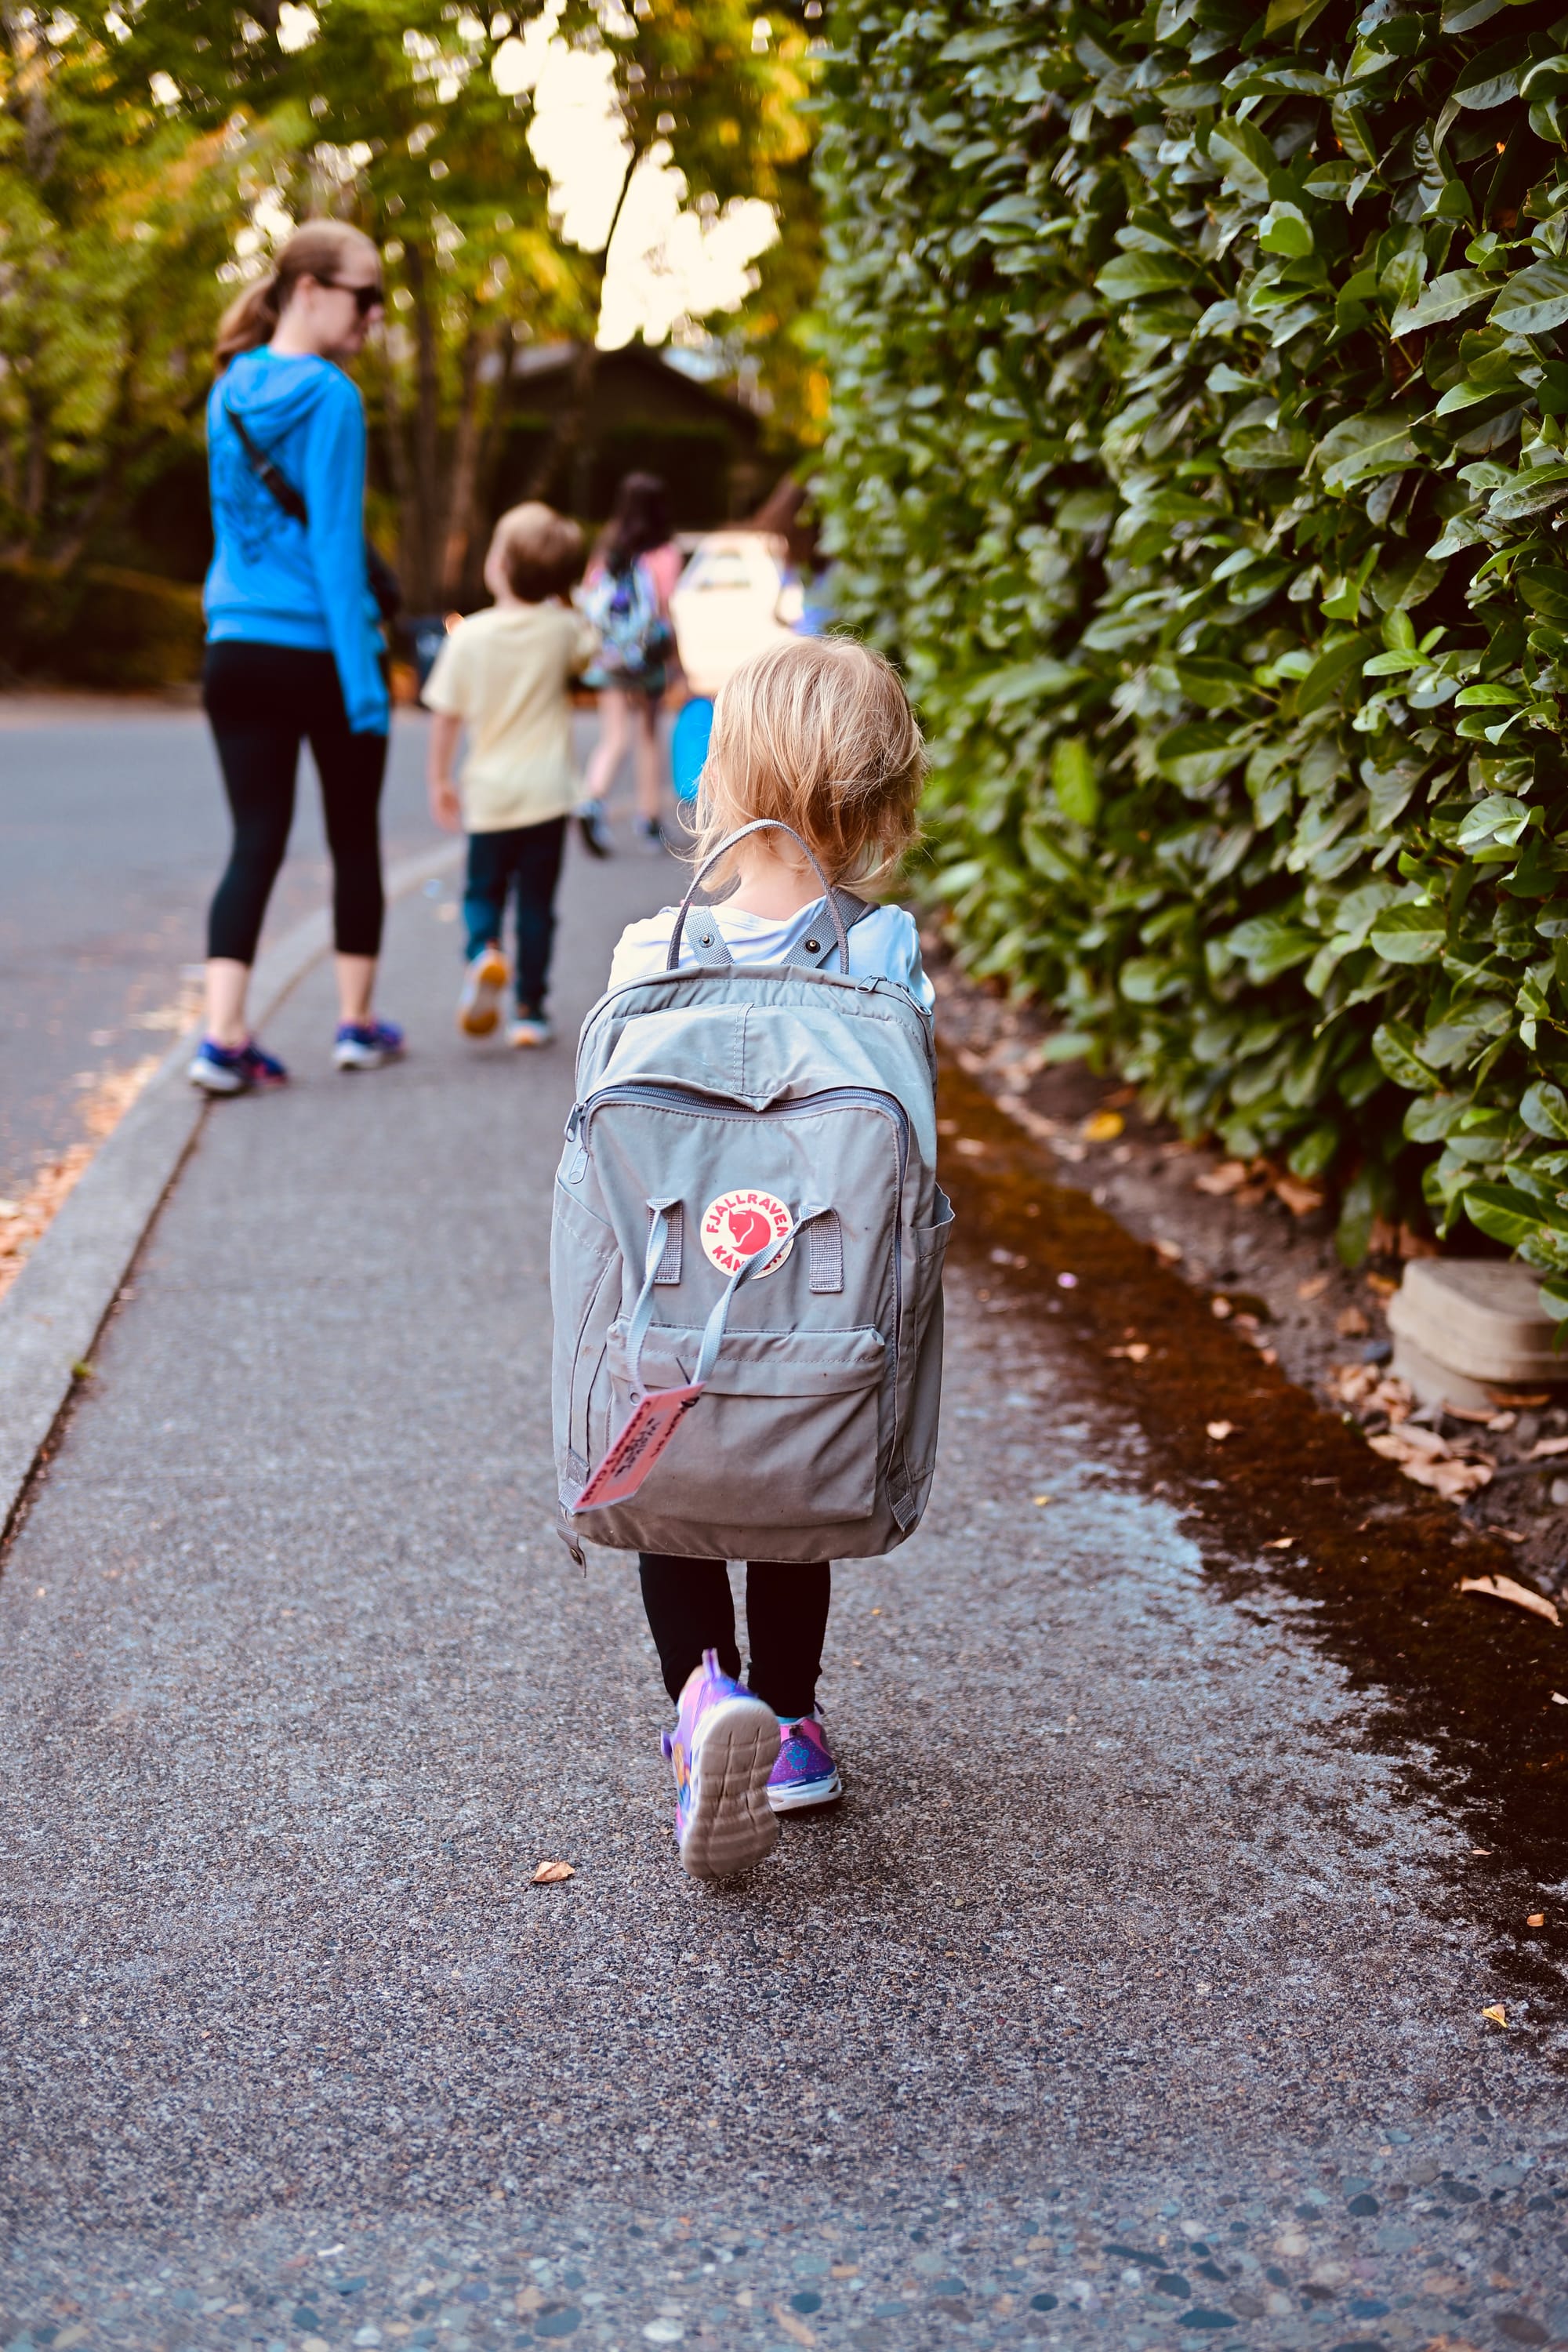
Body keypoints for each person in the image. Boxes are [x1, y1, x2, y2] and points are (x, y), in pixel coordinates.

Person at [603, 636, 931, 1871]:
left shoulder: (652, 955)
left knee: (677, 1504)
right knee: (796, 1500)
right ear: (882, 801)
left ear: (719, 779)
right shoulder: (882, 957)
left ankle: (701, 1704)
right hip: (823, 1311)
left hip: (675, 1297)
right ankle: (788, 1723)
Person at [189, 220, 402, 1096]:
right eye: (365, 296)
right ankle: (355, 1027)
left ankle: (221, 1037)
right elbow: (336, 556)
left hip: (232, 645)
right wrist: (368, 689)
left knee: (253, 841)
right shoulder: (332, 395)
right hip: (316, 649)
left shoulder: (228, 389)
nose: (375, 316)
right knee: (353, 840)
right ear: (309, 288)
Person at [423, 503, 597, 1048]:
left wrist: (439, 780)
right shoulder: (563, 629)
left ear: (499, 565)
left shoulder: (468, 637)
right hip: (548, 795)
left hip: (491, 796)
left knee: (482, 892)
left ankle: (484, 951)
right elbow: (593, 647)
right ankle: (530, 1012)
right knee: (538, 906)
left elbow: (446, 718)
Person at [576, 472, 682, 856]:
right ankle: (649, 818)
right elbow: (665, 612)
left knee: (614, 736)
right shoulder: (665, 554)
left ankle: (592, 800)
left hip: (610, 658)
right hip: (647, 658)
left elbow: (592, 600)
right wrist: (676, 661)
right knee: (648, 735)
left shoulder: (606, 549)